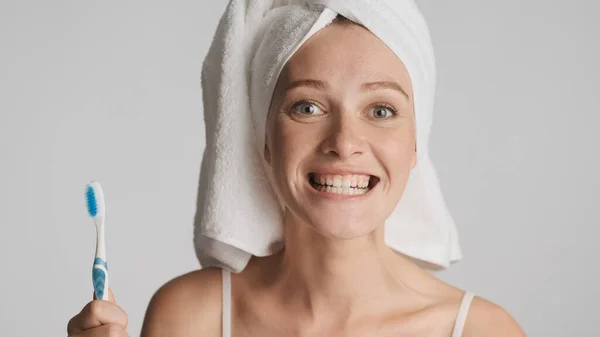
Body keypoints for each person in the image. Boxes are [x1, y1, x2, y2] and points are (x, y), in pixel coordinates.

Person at [67, 8, 526, 337]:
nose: (345, 142)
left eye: (381, 110)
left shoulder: (482, 330)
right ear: (263, 139)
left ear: (415, 144)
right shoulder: (191, 317)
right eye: (307, 106)